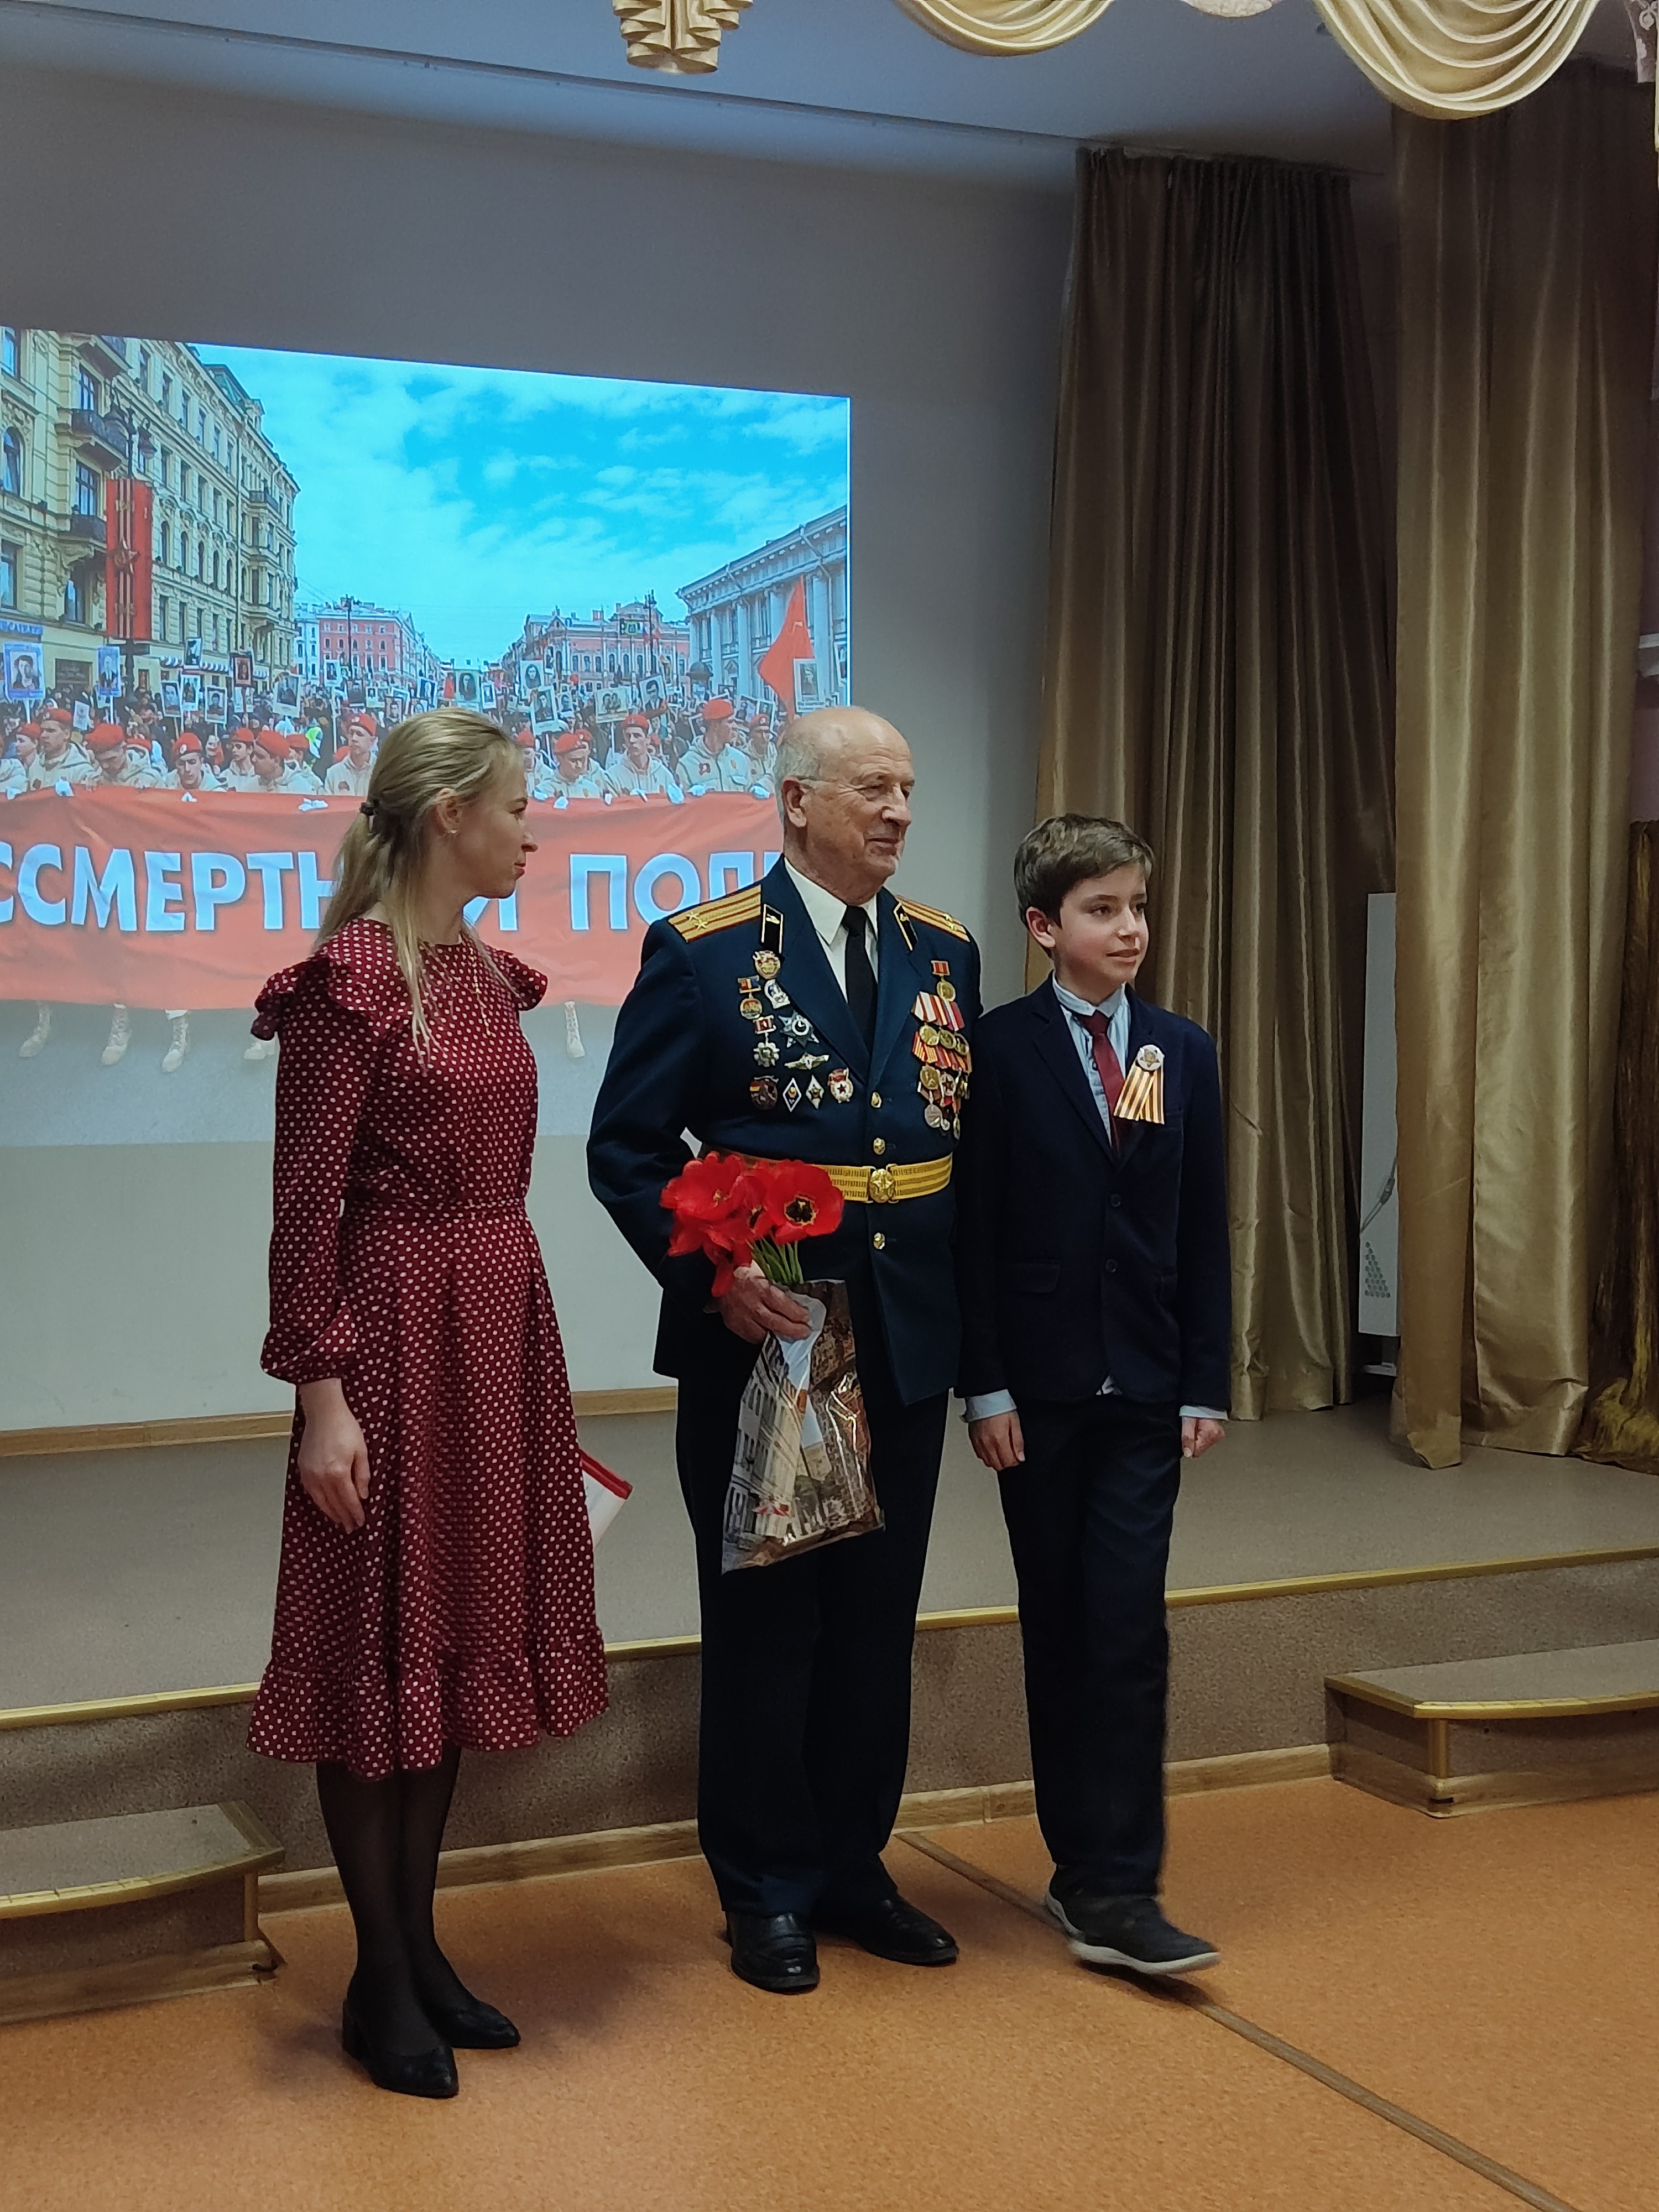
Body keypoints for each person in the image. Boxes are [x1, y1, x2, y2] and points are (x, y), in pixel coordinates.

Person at [589, 706, 980, 1997]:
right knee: (769, 1626)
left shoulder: (942, 951)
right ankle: (764, 1887)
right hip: (772, 1341)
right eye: (873, 787)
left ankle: (853, 1865)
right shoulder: (704, 953)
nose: (899, 810)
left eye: (907, 787)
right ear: (797, 799)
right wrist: (716, 1270)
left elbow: (953, 1149)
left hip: (903, 1332)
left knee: (874, 1619)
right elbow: (627, 1147)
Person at [247, 707, 607, 2099]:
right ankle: (379, 1972)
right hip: (390, 1329)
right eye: (518, 808)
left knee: (448, 1631)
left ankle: (419, 1944)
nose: (532, 834)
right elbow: (303, 1212)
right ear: (451, 813)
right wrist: (320, 1397)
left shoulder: (485, 974)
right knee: (374, 1645)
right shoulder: (347, 984)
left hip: (496, 1317)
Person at [956, 815, 1230, 1980]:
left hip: (1147, 1387)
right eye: (1102, 910)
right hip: (1040, 1387)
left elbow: (1202, 1224)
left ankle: (1124, 1883)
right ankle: (1079, 1869)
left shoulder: (1179, 1050)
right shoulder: (996, 1048)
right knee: (1062, 1623)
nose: (1129, 930)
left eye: (1138, 908)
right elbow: (972, 1231)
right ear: (1043, 925)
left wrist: (1206, 1378)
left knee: (1128, 1625)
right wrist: (985, 1384)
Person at [604, 712, 682, 802]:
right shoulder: (613, 777)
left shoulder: (663, 774)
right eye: (628, 736)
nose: (632, 740)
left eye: (637, 736)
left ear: (647, 739)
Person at [675, 697, 734, 793]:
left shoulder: (740, 759)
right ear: (715, 725)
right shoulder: (687, 764)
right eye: (730, 722)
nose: (735, 727)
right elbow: (682, 801)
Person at [548, 724, 612, 802]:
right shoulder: (547, 791)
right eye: (573, 761)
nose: (579, 766)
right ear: (560, 758)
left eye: (581, 760)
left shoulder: (592, 789)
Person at [325, 714, 378, 796]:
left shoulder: (381, 772)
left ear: (372, 741)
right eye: (351, 733)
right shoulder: (334, 773)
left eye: (359, 734)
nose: (354, 738)